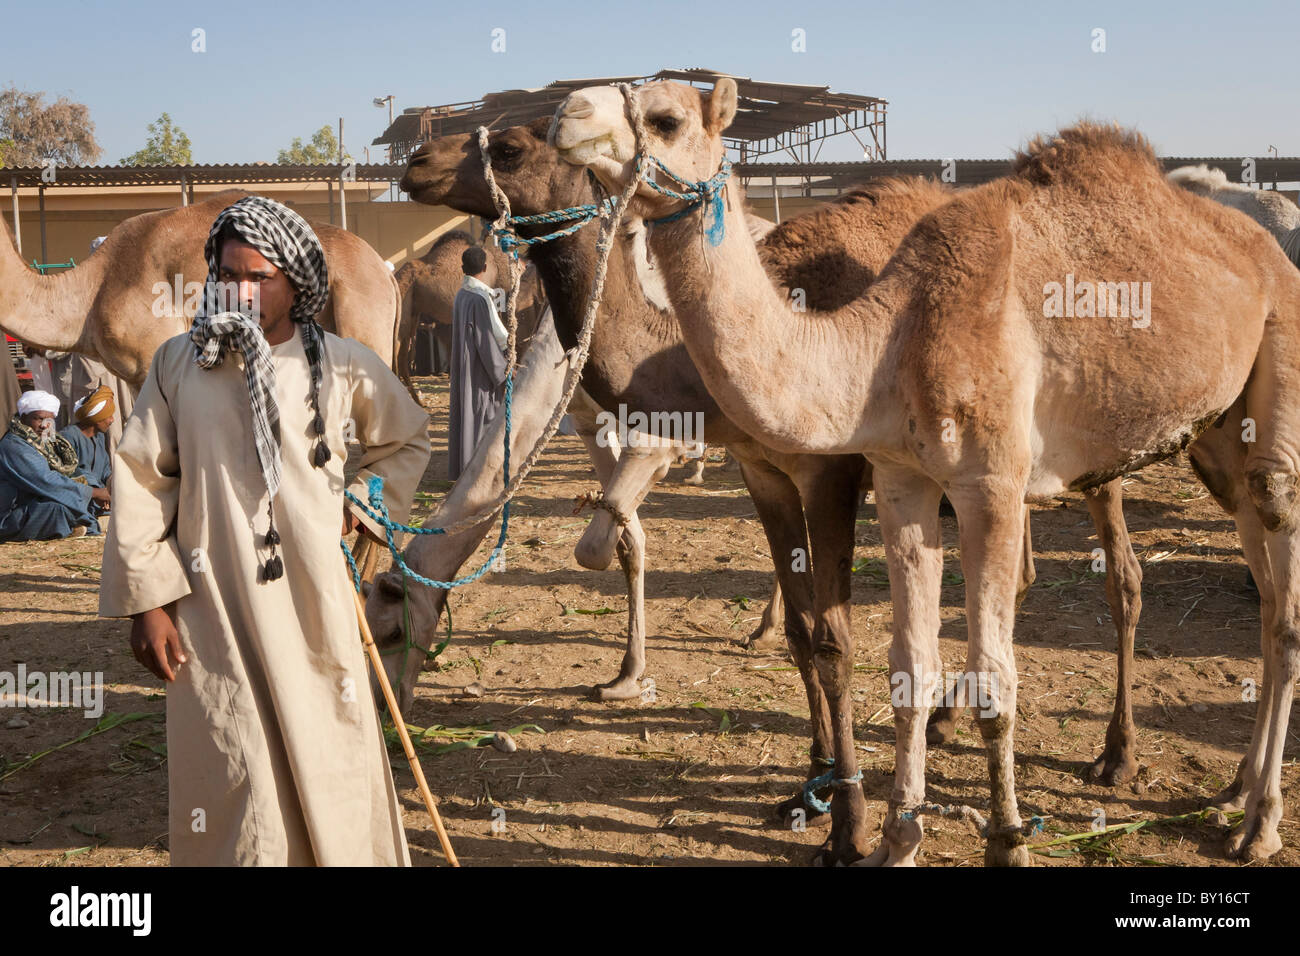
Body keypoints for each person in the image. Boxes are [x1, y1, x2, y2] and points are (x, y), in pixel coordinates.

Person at [98, 196, 431, 866]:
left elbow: (407, 440)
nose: (239, 291)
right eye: (227, 274)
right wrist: (150, 603)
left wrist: (361, 506)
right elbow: (141, 479)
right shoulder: (177, 366)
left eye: (258, 277)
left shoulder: (341, 365)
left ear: (297, 281)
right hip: (212, 600)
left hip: (314, 599)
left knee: (329, 744)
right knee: (230, 757)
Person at [0, 390, 106, 541]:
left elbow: (72, 470)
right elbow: (45, 480)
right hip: (12, 513)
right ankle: (72, 526)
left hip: (37, 500)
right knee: (57, 508)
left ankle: (78, 524)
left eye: (49, 420)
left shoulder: (49, 441)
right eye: (39, 419)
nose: (44, 426)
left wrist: (98, 488)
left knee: (76, 501)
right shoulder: (13, 445)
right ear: (24, 417)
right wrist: (93, 492)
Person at [448, 246, 509, 480]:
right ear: (484, 268)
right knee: (483, 413)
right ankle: (477, 472)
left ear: (463, 268)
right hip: (479, 369)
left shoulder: (462, 295)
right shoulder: (480, 298)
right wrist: (502, 371)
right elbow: (488, 339)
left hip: (467, 364)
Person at [60, 383, 115, 501]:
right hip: (78, 497)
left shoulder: (99, 436)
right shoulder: (68, 437)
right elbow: (74, 471)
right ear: (97, 419)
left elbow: (105, 468)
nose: (112, 420)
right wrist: (99, 492)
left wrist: (111, 481)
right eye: (108, 416)